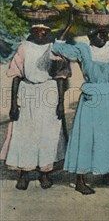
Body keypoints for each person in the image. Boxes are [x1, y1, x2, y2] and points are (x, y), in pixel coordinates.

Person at [52, 20, 109, 195]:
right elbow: (57, 47)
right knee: (86, 137)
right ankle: (80, 180)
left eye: (105, 33)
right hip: (91, 99)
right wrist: (68, 24)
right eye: (99, 33)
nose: (104, 36)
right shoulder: (83, 49)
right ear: (90, 35)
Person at [1, 25, 69, 190]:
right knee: (24, 133)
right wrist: (13, 105)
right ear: (32, 31)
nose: (42, 33)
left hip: (49, 91)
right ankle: (24, 173)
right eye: (38, 30)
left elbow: (60, 77)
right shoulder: (24, 47)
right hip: (27, 91)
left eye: (45, 30)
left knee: (48, 133)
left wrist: (60, 103)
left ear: (49, 32)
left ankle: (44, 173)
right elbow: (16, 76)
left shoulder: (54, 48)